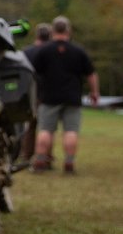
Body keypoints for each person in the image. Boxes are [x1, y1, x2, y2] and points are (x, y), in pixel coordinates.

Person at [29, 16, 99, 174]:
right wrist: (94, 92)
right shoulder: (78, 51)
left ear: (53, 30)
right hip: (72, 97)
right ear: (68, 31)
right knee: (71, 131)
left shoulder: (44, 50)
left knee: (45, 130)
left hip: (48, 97)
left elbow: (33, 73)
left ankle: (40, 160)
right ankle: (69, 162)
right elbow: (91, 74)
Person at [19, 22, 52, 165]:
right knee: (47, 127)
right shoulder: (52, 51)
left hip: (28, 94)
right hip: (46, 94)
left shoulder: (25, 52)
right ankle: (46, 156)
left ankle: (26, 155)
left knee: (30, 127)